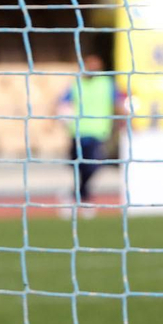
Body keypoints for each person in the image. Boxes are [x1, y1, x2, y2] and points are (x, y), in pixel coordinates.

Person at [57, 52, 121, 211]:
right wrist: (62, 116)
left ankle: (77, 194)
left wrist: (126, 119)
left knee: (95, 165)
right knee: (79, 166)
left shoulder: (107, 83)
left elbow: (118, 101)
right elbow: (62, 103)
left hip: (99, 132)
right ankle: (81, 195)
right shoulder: (76, 84)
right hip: (78, 132)